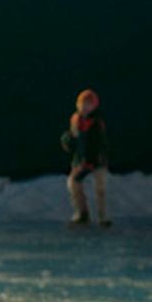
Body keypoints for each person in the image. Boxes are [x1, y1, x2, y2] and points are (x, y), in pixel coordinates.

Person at [62, 89, 111, 227]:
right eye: (82, 103)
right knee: (73, 183)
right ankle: (82, 213)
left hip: (97, 160)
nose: (85, 107)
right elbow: (74, 143)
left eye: (88, 104)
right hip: (81, 161)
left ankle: (103, 217)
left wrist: (93, 160)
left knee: (100, 188)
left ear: (94, 106)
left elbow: (99, 144)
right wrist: (68, 140)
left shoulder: (97, 122)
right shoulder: (75, 120)